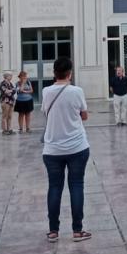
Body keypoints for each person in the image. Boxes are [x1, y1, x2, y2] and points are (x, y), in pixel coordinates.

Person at [41, 57, 92, 243]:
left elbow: (46, 113)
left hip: (52, 149)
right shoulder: (77, 91)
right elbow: (84, 116)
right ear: (70, 73)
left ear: (54, 73)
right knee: (76, 186)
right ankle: (77, 231)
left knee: (54, 187)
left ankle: (53, 231)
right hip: (77, 146)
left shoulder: (46, 91)